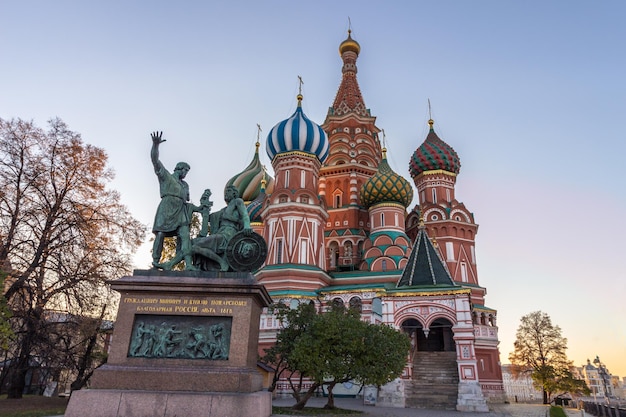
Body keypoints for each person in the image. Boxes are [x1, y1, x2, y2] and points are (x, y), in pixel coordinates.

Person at [163, 185, 252, 271]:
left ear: (234, 193)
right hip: (220, 233)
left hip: (228, 234)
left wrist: (247, 226)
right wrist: (204, 205)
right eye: (226, 191)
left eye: (229, 191)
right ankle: (170, 264)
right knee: (191, 244)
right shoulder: (223, 210)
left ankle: (170, 264)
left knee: (194, 246)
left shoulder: (237, 201)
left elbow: (245, 215)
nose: (226, 193)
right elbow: (209, 218)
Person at [150, 131, 196, 270]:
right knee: (161, 234)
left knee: (184, 235)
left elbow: (187, 200)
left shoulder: (185, 185)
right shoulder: (166, 177)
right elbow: (155, 161)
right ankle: (155, 261)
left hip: (180, 210)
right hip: (167, 207)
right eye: (185, 170)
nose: (186, 174)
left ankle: (188, 265)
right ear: (179, 169)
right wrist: (155, 145)